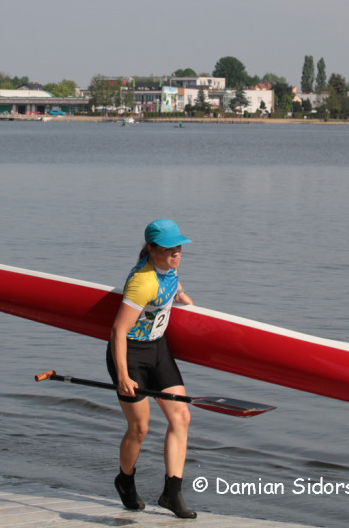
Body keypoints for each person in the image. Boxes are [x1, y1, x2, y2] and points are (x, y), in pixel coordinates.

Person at [108, 219, 197, 519]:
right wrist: (122, 376)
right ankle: (125, 480)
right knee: (140, 427)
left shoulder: (169, 267)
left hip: (158, 349)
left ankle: (172, 492)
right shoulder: (142, 281)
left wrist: (182, 296)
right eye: (170, 248)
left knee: (181, 416)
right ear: (151, 249)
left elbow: (174, 281)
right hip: (130, 355)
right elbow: (119, 331)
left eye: (179, 247)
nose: (177, 252)